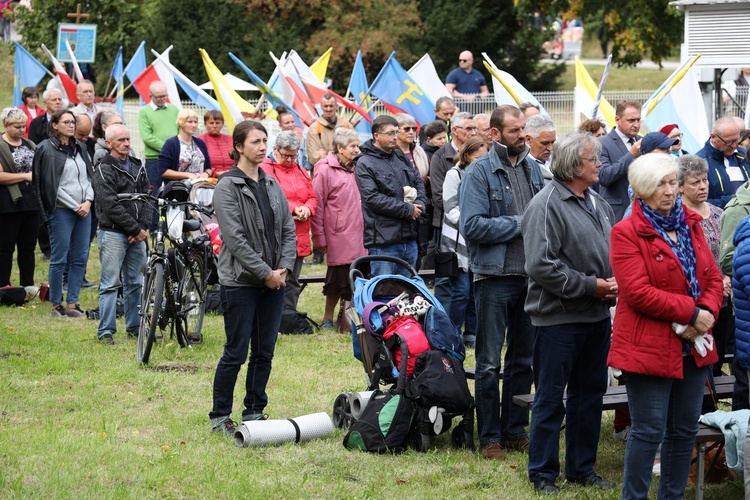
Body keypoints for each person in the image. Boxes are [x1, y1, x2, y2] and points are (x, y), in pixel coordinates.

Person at [608, 153, 723, 499]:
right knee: (648, 430)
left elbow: (713, 278)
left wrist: (706, 312)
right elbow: (637, 292)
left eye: (673, 182)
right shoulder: (626, 231)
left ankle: (672, 496)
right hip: (649, 343)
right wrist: (691, 313)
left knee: (685, 429)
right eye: (661, 184)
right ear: (642, 189)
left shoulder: (690, 222)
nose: (670, 190)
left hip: (694, 345)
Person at [523, 132, 617, 495]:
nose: (600, 164)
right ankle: (543, 473)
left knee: (590, 395)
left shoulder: (597, 201)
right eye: (594, 160)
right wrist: (592, 285)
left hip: (595, 317)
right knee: (549, 398)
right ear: (575, 165)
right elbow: (541, 266)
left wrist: (614, 281)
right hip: (558, 320)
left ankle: (581, 468)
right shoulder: (545, 204)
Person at [459, 104, 545, 460]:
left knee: (523, 360)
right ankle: (489, 437)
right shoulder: (478, 173)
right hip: (494, 278)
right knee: (489, 362)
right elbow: (473, 226)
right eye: (514, 131)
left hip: (531, 277)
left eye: (523, 130)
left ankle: (514, 431)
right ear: (494, 134)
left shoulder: (533, 169)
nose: (522, 136)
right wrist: (521, 223)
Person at [209, 120, 296, 436]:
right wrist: (265, 274)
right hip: (241, 283)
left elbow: (287, 228)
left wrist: (283, 268)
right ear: (239, 147)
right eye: (256, 141)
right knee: (236, 351)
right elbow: (234, 238)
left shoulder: (272, 184)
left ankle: (255, 410)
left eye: (264, 141)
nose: (262, 146)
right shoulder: (226, 186)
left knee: (264, 351)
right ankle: (220, 416)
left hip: (274, 280)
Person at [677, 155, 734, 385]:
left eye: (704, 180)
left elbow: (730, 254)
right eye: (694, 182)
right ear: (679, 186)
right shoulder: (676, 218)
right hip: (696, 304)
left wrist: (727, 277)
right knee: (697, 364)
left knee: (718, 358)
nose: (702, 186)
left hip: (723, 300)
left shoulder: (719, 214)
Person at [31, 109, 94, 318]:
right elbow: (50, 185)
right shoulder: (45, 149)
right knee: (59, 258)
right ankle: (56, 304)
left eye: (73, 122)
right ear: (54, 125)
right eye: (66, 122)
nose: (71, 125)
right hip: (61, 210)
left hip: (83, 210)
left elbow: (88, 178)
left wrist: (88, 201)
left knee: (80, 257)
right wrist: (77, 204)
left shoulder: (81, 148)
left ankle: (72, 303)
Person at [91, 124, 150, 345]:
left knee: (136, 282)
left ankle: (134, 326)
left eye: (128, 139)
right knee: (110, 284)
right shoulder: (103, 169)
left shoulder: (138, 166)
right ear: (108, 144)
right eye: (120, 140)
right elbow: (109, 205)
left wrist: (142, 227)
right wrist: (135, 229)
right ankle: (106, 330)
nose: (126, 143)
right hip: (113, 233)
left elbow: (146, 197)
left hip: (137, 234)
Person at [355, 115, 427, 276]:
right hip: (384, 241)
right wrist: (407, 210)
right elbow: (372, 198)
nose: (395, 137)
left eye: (396, 132)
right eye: (390, 133)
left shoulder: (399, 156)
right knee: (384, 292)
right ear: (376, 136)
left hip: (409, 238)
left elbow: (418, 182)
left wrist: (420, 204)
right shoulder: (364, 163)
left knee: (407, 294)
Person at [311, 128, 367, 331]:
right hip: (338, 234)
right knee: (337, 279)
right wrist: (319, 239)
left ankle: (348, 320)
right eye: (353, 146)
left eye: (357, 145)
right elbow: (317, 205)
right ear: (340, 148)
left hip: (360, 233)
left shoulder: (358, 167)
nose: (357, 149)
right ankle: (327, 318)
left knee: (356, 277)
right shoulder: (324, 169)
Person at [261, 131, 316, 317]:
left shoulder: (300, 170)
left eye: (295, 155)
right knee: (276, 275)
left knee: (293, 278)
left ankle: (289, 314)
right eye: (286, 155)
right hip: (277, 232)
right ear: (275, 149)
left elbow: (312, 196)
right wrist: (294, 208)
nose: (291, 159)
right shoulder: (265, 168)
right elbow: (270, 196)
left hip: (299, 231)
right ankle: (272, 315)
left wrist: (308, 208)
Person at [440, 136, 488, 349]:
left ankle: (472, 333)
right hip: (457, 242)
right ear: (467, 156)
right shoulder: (454, 174)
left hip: (479, 242)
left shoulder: (486, 175)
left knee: (475, 292)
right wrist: (475, 225)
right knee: (460, 290)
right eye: (478, 157)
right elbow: (450, 209)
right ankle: (452, 332)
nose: (481, 161)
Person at [0, 107, 38, 295]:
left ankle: (27, 285)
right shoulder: (0, 145)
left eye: (23, 126)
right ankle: (4, 285)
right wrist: (25, 176)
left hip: (32, 204)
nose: (21, 130)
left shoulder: (30, 144)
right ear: (6, 126)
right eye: (17, 127)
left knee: (28, 247)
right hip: (8, 204)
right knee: (5, 247)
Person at [138, 81, 179, 230]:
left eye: (164, 96)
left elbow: (180, 130)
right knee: (153, 193)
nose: (162, 99)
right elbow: (147, 137)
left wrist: (175, 149)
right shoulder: (144, 112)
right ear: (150, 96)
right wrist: (169, 148)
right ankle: (154, 226)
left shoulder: (174, 110)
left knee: (174, 192)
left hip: (173, 159)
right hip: (154, 159)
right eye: (159, 96)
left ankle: (173, 225)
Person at [598, 99, 643, 221]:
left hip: (643, 213)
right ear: (617, 119)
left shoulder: (643, 141)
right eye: (631, 120)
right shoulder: (602, 143)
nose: (636, 124)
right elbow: (604, 176)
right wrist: (631, 155)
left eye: (638, 120)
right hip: (617, 213)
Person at [395, 113, 430, 270]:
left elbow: (426, 174)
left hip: (420, 206)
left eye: (414, 128)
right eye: (406, 128)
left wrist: (424, 181)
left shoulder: (419, 151)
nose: (411, 132)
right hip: (399, 208)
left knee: (420, 248)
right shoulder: (392, 153)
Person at [696, 116, 750, 208]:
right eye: (728, 142)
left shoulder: (744, 155)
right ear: (713, 137)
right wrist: (735, 200)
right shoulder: (699, 161)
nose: (734, 145)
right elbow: (696, 203)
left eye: (737, 140)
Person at [158, 108, 212, 181]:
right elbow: (163, 171)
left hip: (200, 185)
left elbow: (208, 167)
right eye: (190, 122)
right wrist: (187, 175)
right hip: (179, 187)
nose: (194, 125)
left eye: (195, 122)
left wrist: (206, 174)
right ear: (181, 123)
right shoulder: (171, 143)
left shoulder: (200, 143)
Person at [305, 94, 353, 168]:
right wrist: (342, 157)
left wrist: (324, 155)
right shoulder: (314, 128)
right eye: (325, 106)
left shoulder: (346, 125)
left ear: (336, 106)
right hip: (323, 174)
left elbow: (354, 151)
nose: (328, 109)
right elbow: (313, 158)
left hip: (345, 173)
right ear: (321, 107)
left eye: (331, 106)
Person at [197, 110, 233, 177]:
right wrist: (215, 173)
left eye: (217, 123)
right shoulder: (199, 140)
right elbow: (198, 163)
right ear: (205, 124)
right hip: (210, 178)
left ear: (222, 124)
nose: (214, 126)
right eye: (211, 123)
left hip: (233, 176)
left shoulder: (231, 139)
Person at [525, 114, 556, 182]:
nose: (550, 148)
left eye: (553, 142)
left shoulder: (559, 161)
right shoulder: (522, 167)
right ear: (528, 140)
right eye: (545, 143)